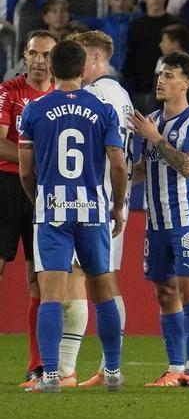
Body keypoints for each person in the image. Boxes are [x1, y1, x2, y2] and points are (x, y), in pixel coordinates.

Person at [16, 39, 126, 393]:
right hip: (92, 211)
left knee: (51, 295)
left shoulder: (34, 110)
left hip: (52, 212)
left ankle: (51, 375)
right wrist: (118, 204)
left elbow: (24, 170)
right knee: (103, 291)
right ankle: (111, 370)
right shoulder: (103, 109)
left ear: (52, 68)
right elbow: (118, 163)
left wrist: (39, 198)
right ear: (82, 70)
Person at [129, 52, 189, 388]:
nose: (161, 80)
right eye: (160, 73)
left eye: (170, 74)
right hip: (156, 222)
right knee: (164, 292)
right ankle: (174, 368)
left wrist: (156, 138)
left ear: (187, 83)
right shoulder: (150, 119)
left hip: (187, 218)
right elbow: (140, 169)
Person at [65, 30, 136, 389]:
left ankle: (63, 371)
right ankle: (110, 367)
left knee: (81, 279)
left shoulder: (94, 96)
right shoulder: (121, 95)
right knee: (102, 282)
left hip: (93, 200)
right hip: (113, 199)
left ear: (94, 57)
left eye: (79, 55)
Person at [0, 30, 56, 385]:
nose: (38, 60)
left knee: (39, 281)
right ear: (24, 55)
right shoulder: (8, 92)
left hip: (40, 194)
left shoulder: (60, 97)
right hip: (5, 186)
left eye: (46, 55)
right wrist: (33, 165)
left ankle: (37, 364)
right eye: (33, 53)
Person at [125, 0, 185, 113]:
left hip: (171, 89)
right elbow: (131, 55)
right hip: (141, 88)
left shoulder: (176, 25)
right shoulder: (136, 26)